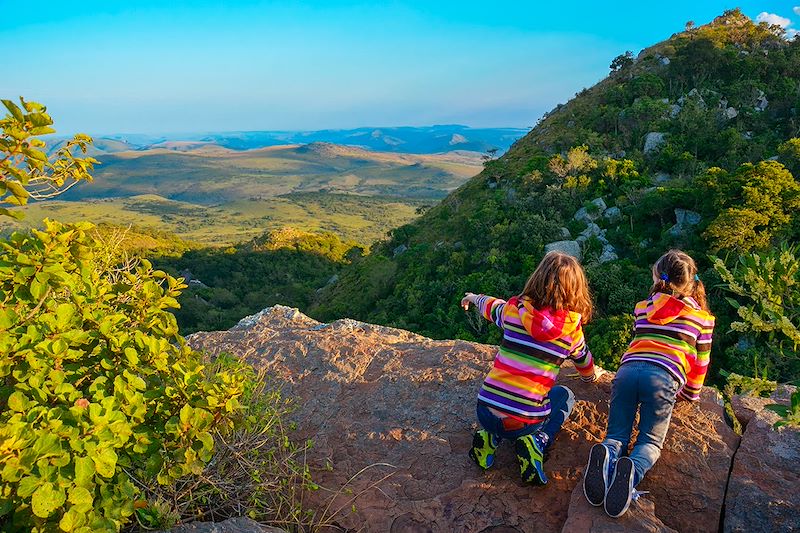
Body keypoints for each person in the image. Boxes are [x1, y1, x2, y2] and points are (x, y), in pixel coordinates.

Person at [583, 249, 715, 517]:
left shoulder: (642, 308)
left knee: (616, 434)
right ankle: (632, 468)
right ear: (692, 282)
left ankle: (608, 454)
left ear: (658, 278)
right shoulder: (703, 319)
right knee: (651, 442)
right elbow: (701, 363)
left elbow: (640, 340)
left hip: (627, 372)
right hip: (663, 378)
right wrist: (690, 394)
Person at [462, 251, 599, 485]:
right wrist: (591, 378)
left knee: (501, 402)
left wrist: (473, 297)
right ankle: (537, 441)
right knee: (565, 396)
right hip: (524, 423)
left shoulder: (514, 310)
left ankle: (490, 438)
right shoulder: (571, 331)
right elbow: (584, 362)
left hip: (484, 411)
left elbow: (490, 305)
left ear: (537, 279)